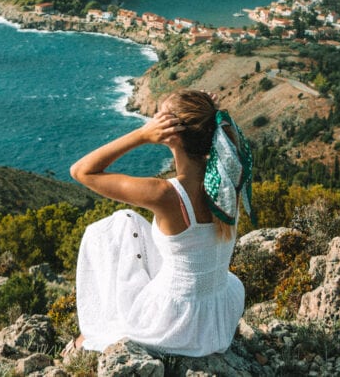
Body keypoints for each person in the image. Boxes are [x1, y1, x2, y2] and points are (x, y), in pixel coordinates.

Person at [67, 89, 254, 357]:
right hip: (218, 316)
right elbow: (219, 134)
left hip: (175, 325)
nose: (154, 119)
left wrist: (141, 134)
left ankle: (89, 335)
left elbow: (81, 171)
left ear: (172, 133)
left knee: (118, 225)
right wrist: (208, 114)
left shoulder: (165, 195)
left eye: (160, 117)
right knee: (134, 224)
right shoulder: (229, 177)